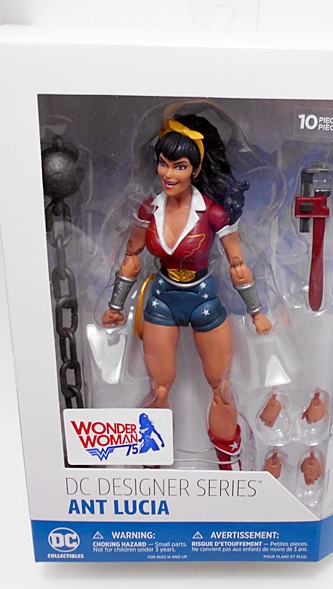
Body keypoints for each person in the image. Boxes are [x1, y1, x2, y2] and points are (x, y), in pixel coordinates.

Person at [102, 114, 272, 470]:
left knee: (221, 387)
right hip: (162, 300)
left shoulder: (212, 213)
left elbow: (237, 264)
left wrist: (256, 312)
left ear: (195, 169)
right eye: (164, 164)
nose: (168, 174)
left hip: (203, 299)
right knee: (159, 388)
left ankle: (230, 468)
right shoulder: (149, 209)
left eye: (179, 166)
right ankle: (151, 464)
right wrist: (116, 305)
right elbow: (131, 258)